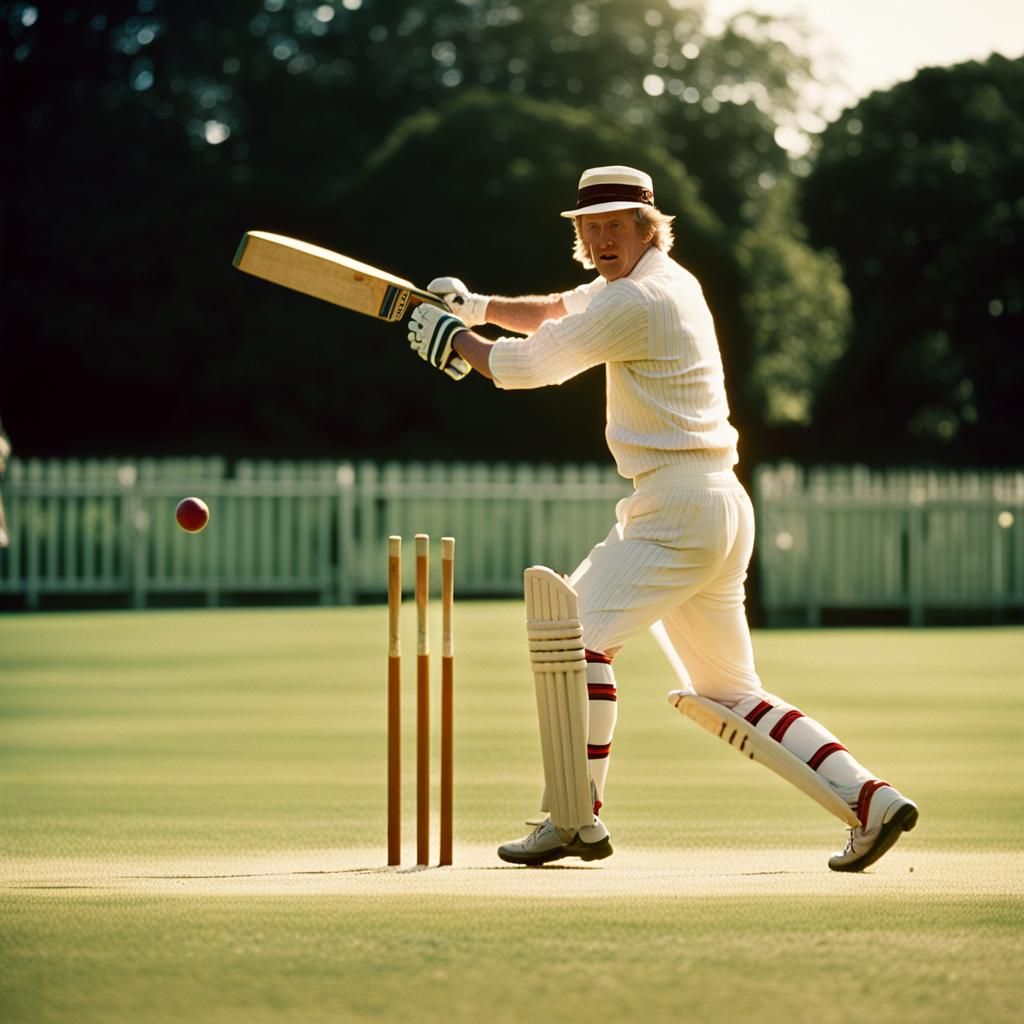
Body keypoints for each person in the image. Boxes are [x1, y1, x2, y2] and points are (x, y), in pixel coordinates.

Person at [407, 165, 918, 871]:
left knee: (570, 637)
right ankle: (871, 800)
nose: (603, 236)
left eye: (618, 223)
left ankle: (573, 818)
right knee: (729, 692)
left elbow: (526, 369)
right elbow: (557, 310)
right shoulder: (659, 283)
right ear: (581, 235)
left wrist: (450, 343)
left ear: (649, 227)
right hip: (716, 503)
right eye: (592, 226)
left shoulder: (638, 300)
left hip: (677, 507)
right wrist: (477, 306)